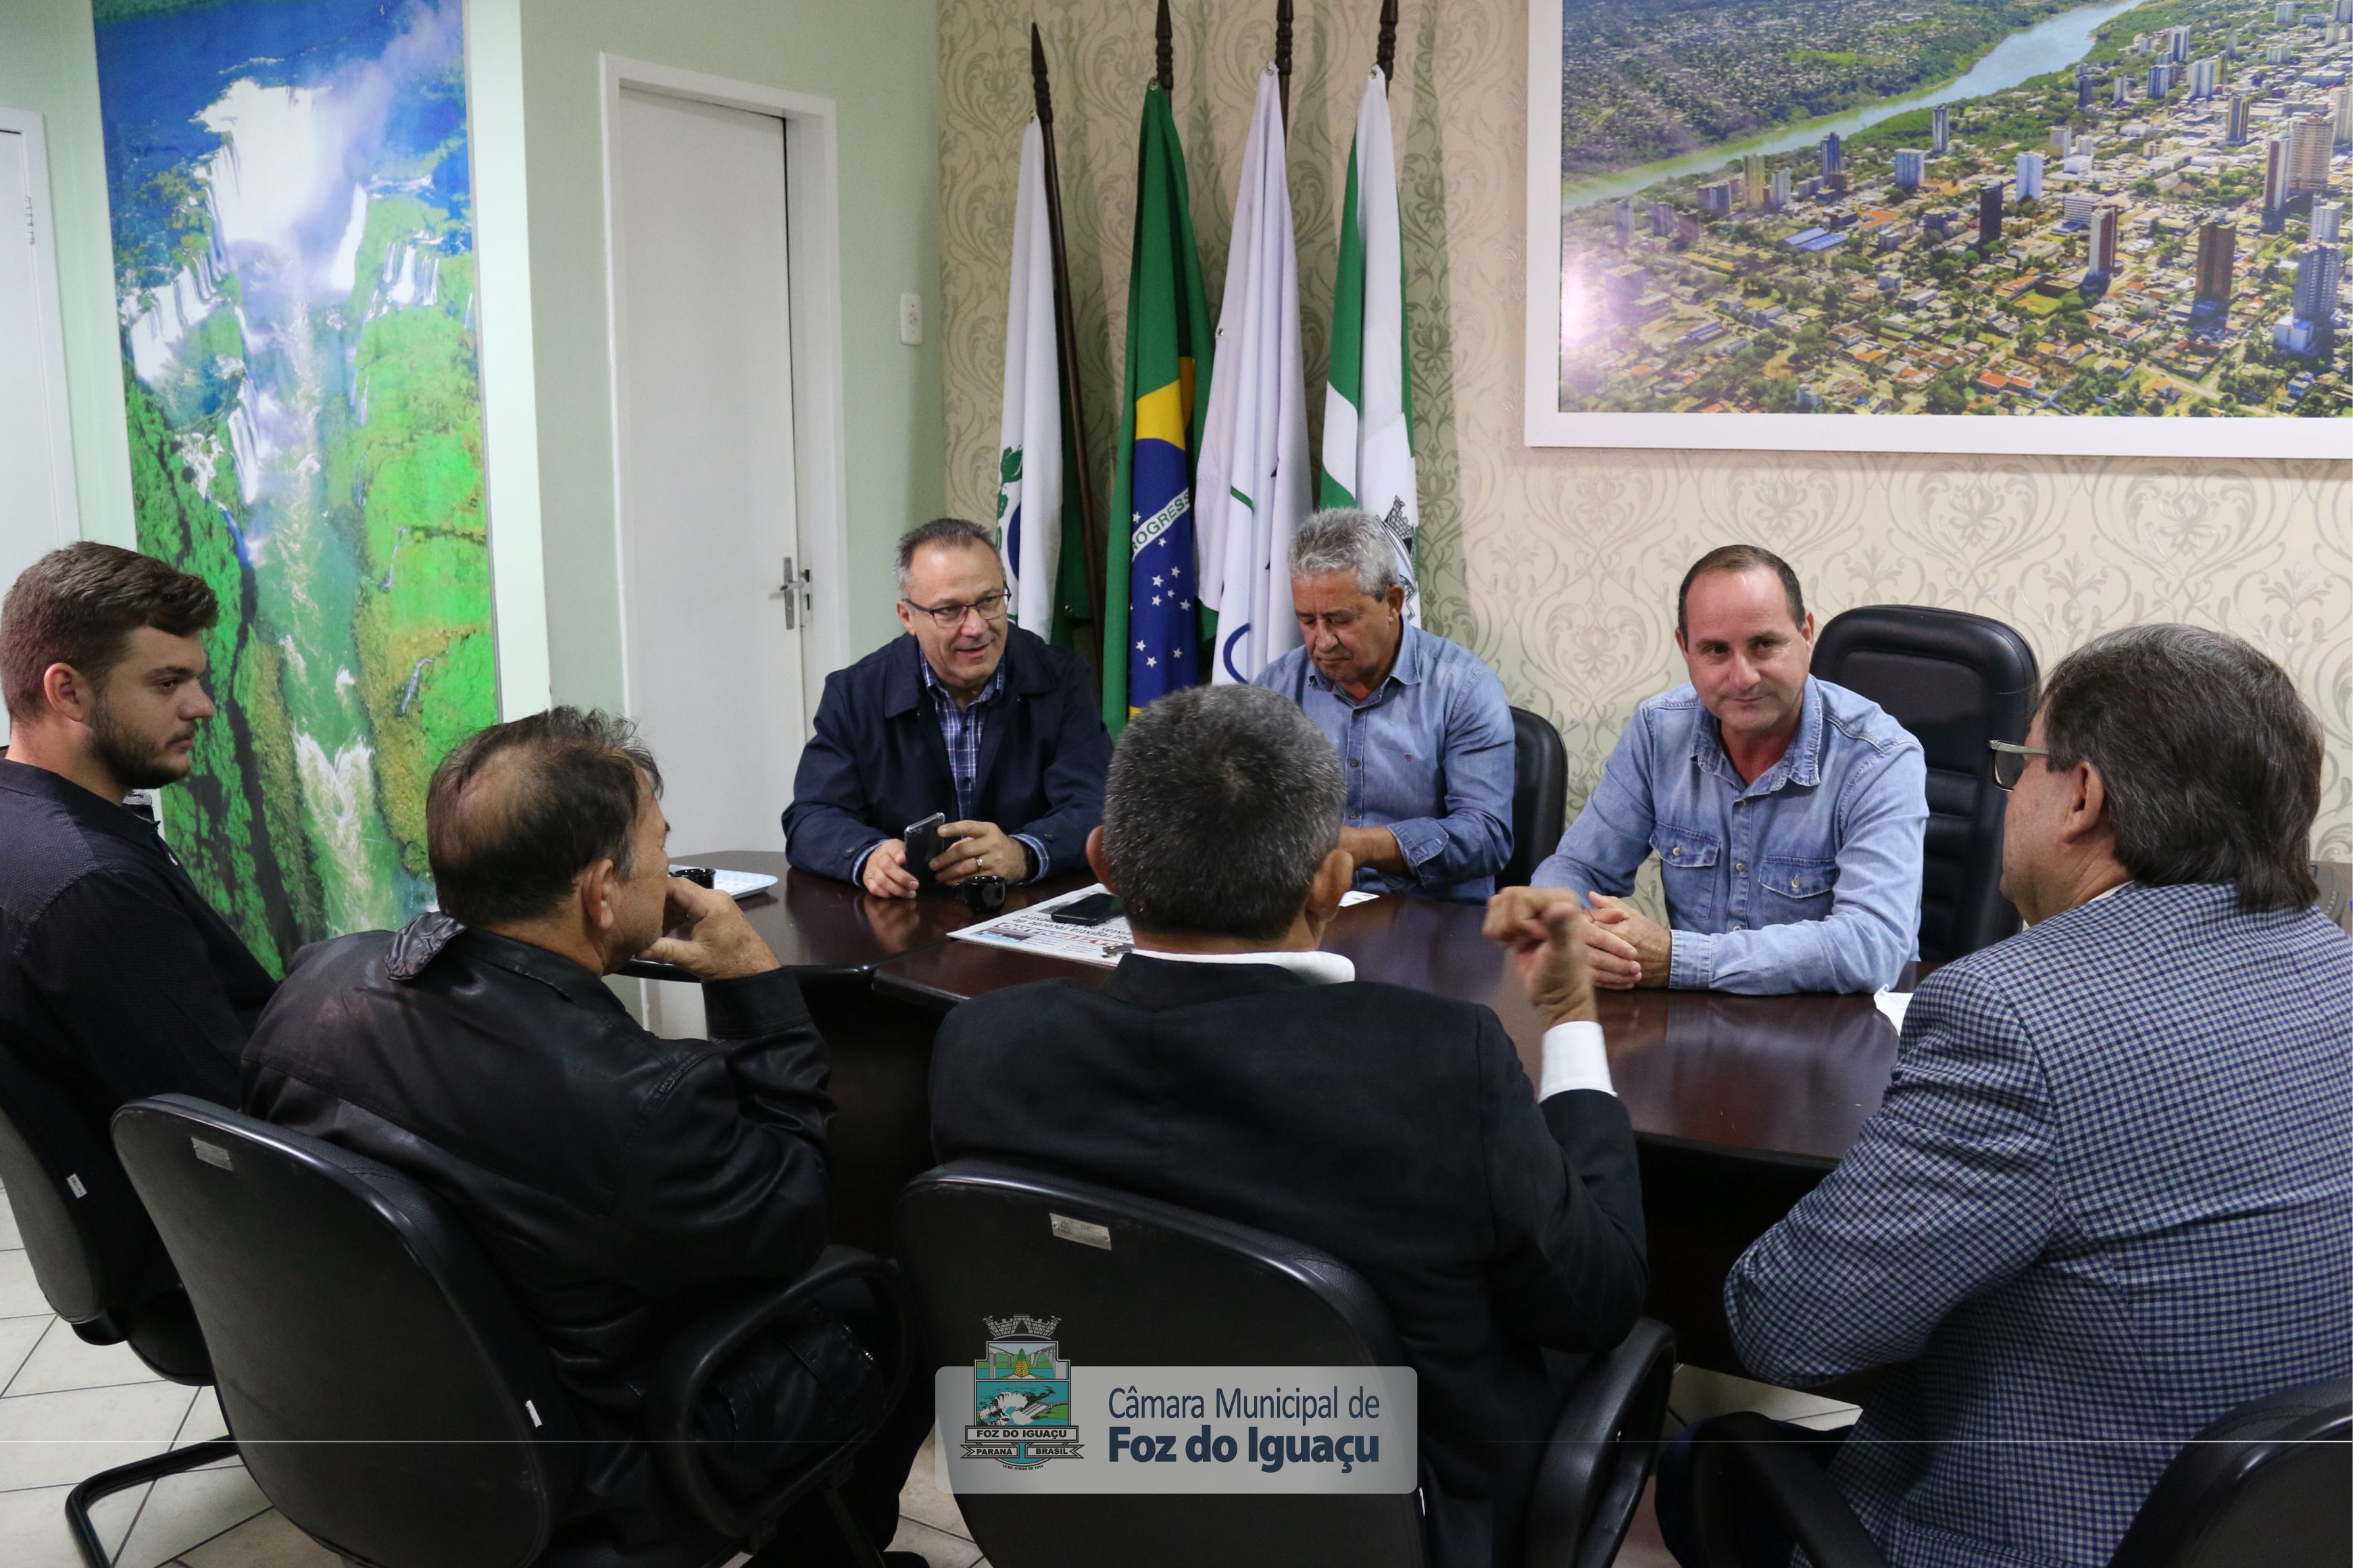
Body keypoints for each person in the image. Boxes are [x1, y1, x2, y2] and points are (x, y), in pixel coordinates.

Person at [1659, 626, 2351, 1568]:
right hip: (2287, 1528)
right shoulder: (2332, 963)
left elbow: (1788, 1330)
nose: (2009, 791)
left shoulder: (2016, 1014)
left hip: (2043, 1533)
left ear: (2081, 796)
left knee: (1702, 1460)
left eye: (2018, 763)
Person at [931, 685, 1646, 1568]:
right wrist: (1569, 1017)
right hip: (1377, 1527)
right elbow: (1598, 1297)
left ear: (1103, 862)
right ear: (1332, 880)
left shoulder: (981, 1046)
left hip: (1074, 1494)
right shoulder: (1435, 1064)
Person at [246, 709, 926, 1568]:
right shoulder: (637, 1100)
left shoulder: (316, 984)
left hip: (377, 1427)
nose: (669, 870)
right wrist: (758, 989)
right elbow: (793, 1216)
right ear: (603, 891)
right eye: (660, 846)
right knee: (894, 1302)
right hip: (599, 1469)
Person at [1495, 545, 1925, 994]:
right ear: (1686, 649)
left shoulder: (1880, 757)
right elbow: (1576, 866)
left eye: (1764, 645)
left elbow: (1873, 945)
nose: (1743, 677)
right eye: (1716, 650)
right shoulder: (1659, 731)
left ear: (1805, 634)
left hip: (1836, 1024)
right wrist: (1577, 929)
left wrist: (1678, 958)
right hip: (1692, 1021)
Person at [0, 542, 274, 1112]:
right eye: (167, 683)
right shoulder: (94, 886)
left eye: (196, 679)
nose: (202, 706)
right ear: (68, 692)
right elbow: (225, 1116)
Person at [784, 517, 1110, 896]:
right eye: (949, 610)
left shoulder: (1062, 678)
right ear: (907, 616)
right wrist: (868, 856)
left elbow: (1097, 807)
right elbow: (812, 816)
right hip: (906, 911)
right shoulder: (855, 694)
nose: (976, 627)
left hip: (1020, 904)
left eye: (989, 601)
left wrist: (1023, 853)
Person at [1252, 507, 1515, 902]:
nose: (1323, 641)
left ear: (1393, 602)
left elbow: (1487, 836)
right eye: (1307, 621)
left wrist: (1364, 847)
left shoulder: (1463, 688)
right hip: (1311, 912)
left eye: (1340, 620)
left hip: (1430, 918)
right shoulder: (1278, 686)